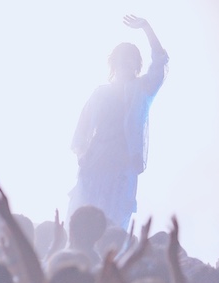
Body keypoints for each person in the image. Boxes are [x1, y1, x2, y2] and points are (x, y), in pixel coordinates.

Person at [68, 15, 169, 229]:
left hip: (121, 170)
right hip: (95, 167)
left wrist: (147, 28)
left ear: (137, 65)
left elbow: (160, 61)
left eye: (130, 59)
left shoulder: (141, 90)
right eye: (121, 59)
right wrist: (83, 156)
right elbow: (80, 133)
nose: (125, 63)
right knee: (83, 224)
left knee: (112, 227)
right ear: (113, 63)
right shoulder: (100, 93)